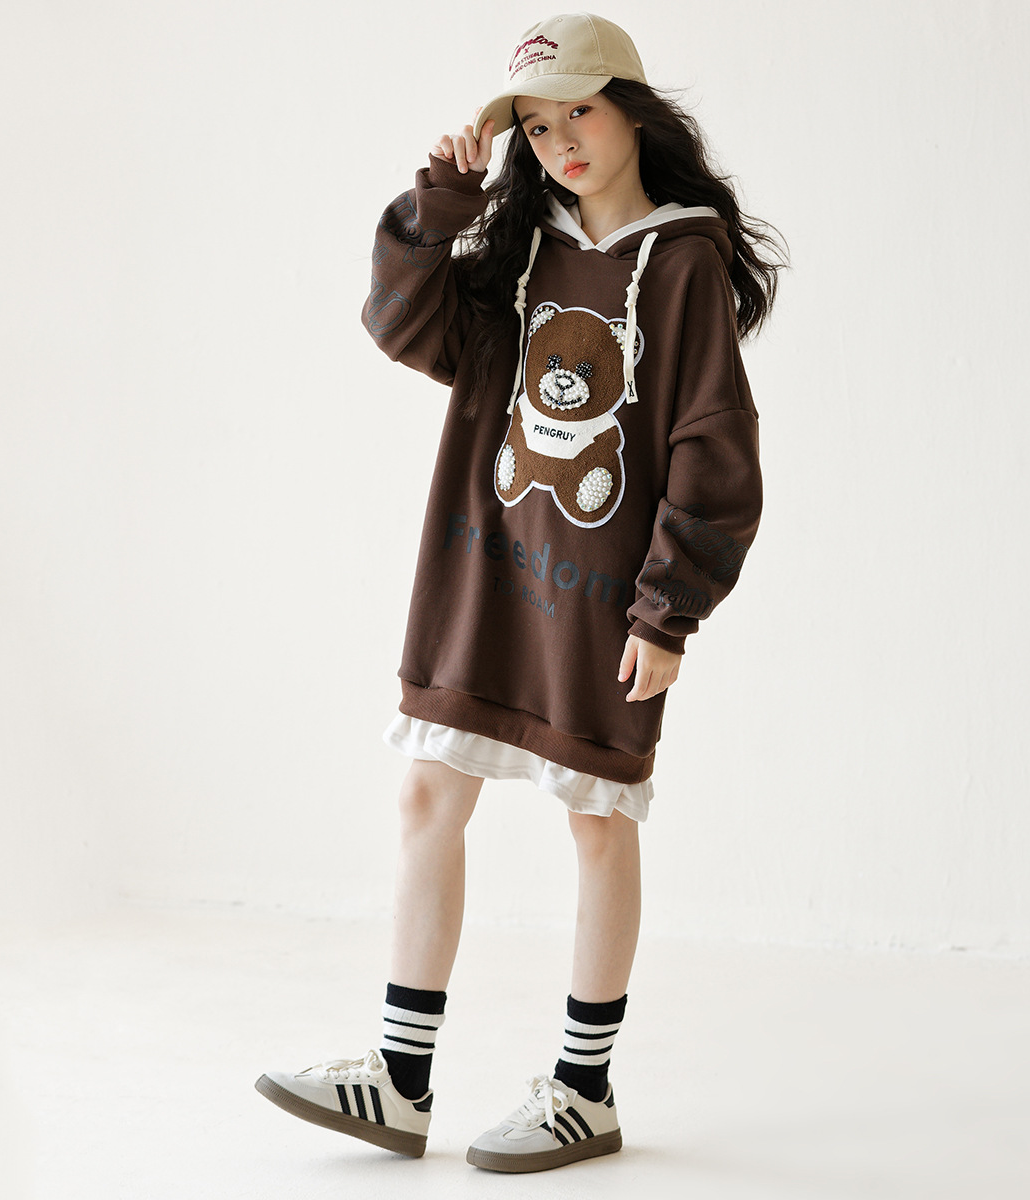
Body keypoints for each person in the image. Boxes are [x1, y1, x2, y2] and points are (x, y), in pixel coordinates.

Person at [255, 11, 785, 1174]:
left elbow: (713, 448)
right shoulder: (518, 251)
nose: (561, 143)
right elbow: (404, 325)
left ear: (633, 112)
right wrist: (440, 209)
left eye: (579, 113)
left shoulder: (681, 263)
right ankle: (400, 1079)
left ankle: (585, 1092)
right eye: (537, 128)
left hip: (604, 607)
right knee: (425, 796)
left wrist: (669, 610)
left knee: (597, 822)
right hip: (482, 576)